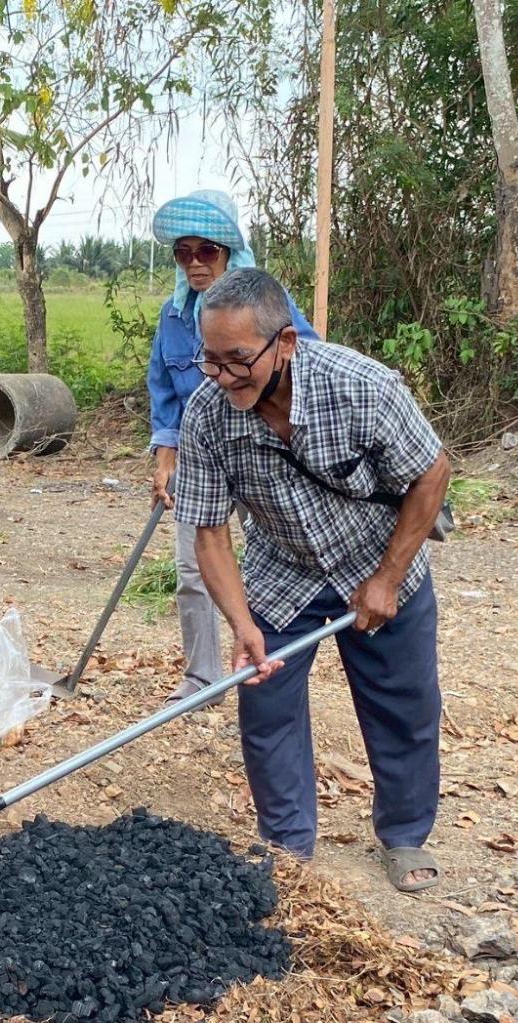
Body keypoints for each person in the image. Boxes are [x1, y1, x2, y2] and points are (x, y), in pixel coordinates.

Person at [173, 268, 451, 893]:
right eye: (209, 360)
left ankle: (405, 836)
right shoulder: (207, 415)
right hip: (283, 569)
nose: (221, 377)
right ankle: (288, 850)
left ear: (286, 344)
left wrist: (388, 576)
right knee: (266, 707)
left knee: (403, 704)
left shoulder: (363, 387)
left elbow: (432, 473)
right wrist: (242, 626)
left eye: (237, 359)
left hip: (379, 560)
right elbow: (211, 533)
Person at [145, 190, 316, 702]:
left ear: (229, 251)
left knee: (269, 563)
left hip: (263, 453)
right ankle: (202, 679)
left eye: (207, 251)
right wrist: (165, 457)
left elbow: (308, 363)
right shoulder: (173, 318)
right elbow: (163, 390)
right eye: (183, 253)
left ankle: (265, 664)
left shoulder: (267, 306)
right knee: (192, 569)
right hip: (203, 456)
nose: (195, 263)